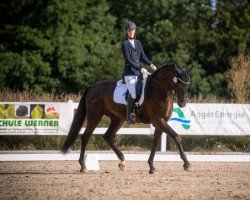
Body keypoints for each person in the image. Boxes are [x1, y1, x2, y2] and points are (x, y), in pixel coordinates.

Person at [121, 21, 157, 124]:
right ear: (126, 32)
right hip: (129, 74)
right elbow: (129, 60)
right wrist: (141, 68)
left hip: (139, 73)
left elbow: (142, 56)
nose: (131, 32)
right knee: (133, 93)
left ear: (135, 30)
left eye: (132, 30)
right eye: (129, 30)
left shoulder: (138, 43)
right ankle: (129, 115)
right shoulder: (125, 44)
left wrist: (150, 64)